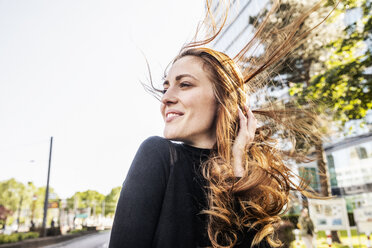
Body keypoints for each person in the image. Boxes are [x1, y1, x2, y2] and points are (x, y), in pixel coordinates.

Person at [109, 1, 330, 247]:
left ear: (222, 100)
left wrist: (237, 165)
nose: (166, 97)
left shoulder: (247, 176)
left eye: (184, 84)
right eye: (166, 87)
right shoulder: (159, 155)